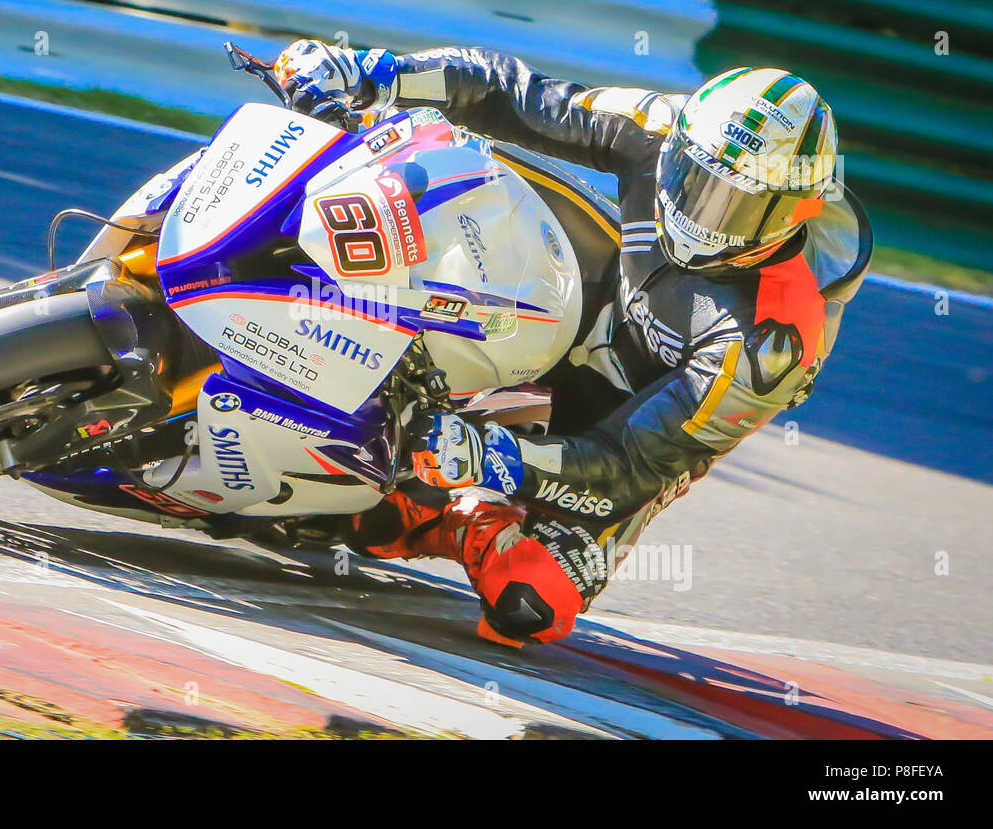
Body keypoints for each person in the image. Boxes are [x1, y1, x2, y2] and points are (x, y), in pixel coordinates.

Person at [273, 39, 873, 647]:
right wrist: (378, 72)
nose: (698, 211)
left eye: (732, 205)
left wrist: (493, 458)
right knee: (432, 184)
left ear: (793, 212)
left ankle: (447, 514)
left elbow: (631, 463)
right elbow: (516, 93)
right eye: (692, 180)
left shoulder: (773, 343)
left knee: (529, 603)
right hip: (570, 298)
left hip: (618, 425)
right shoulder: (666, 128)